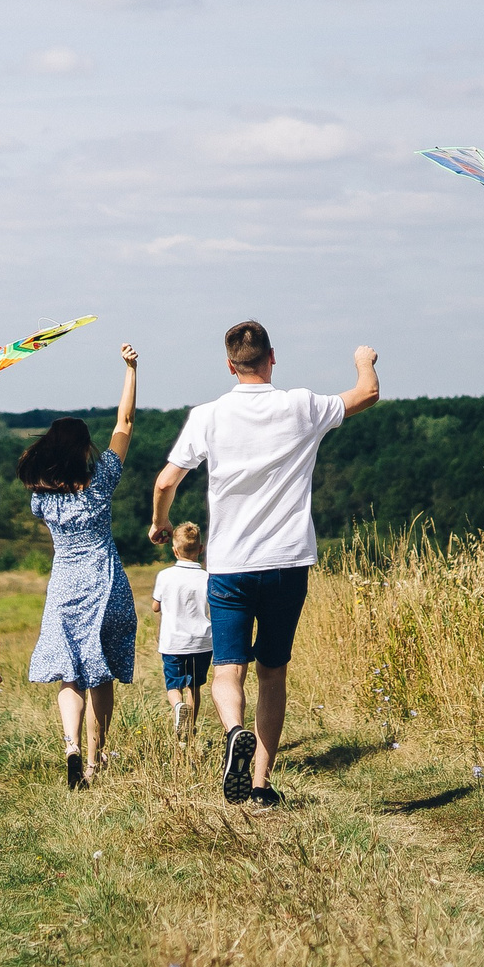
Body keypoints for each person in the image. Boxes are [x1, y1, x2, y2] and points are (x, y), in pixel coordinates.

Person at [149, 321, 376, 808]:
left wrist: (160, 522)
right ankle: (260, 784)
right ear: (272, 357)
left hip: (230, 565)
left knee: (228, 669)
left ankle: (234, 731)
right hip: (287, 563)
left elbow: (166, 481)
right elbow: (367, 394)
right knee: (273, 672)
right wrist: (364, 361)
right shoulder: (301, 406)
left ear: (230, 365)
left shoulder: (207, 415)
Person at [20, 341, 140, 790]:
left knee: (70, 672)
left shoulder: (42, 499)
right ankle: (93, 762)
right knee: (100, 672)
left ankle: (70, 743)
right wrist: (130, 370)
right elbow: (125, 422)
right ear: (84, 449)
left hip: (65, 585)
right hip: (105, 583)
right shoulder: (101, 483)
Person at [150, 521, 212, 740]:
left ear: (174, 550)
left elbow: (155, 606)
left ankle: (178, 707)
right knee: (194, 687)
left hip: (174, 642)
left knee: (173, 686)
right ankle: (189, 732)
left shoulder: (165, 576)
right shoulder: (208, 577)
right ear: (201, 549)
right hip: (202, 642)